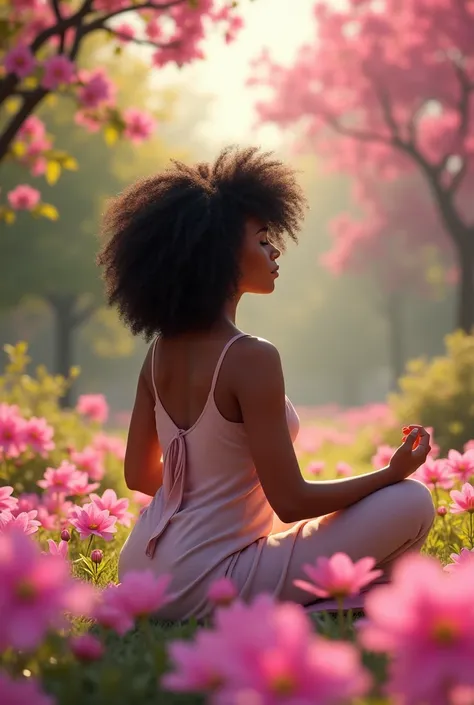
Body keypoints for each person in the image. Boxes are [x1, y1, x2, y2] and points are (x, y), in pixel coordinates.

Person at [97, 146, 435, 621]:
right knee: (411, 501)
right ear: (218, 255)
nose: (274, 251)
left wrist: (210, 501)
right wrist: (390, 474)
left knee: (330, 521)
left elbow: (138, 475)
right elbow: (292, 501)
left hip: (142, 573)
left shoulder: (158, 355)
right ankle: (339, 610)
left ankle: (338, 605)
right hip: (208, 581)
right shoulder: (251, 356)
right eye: (261, 239)